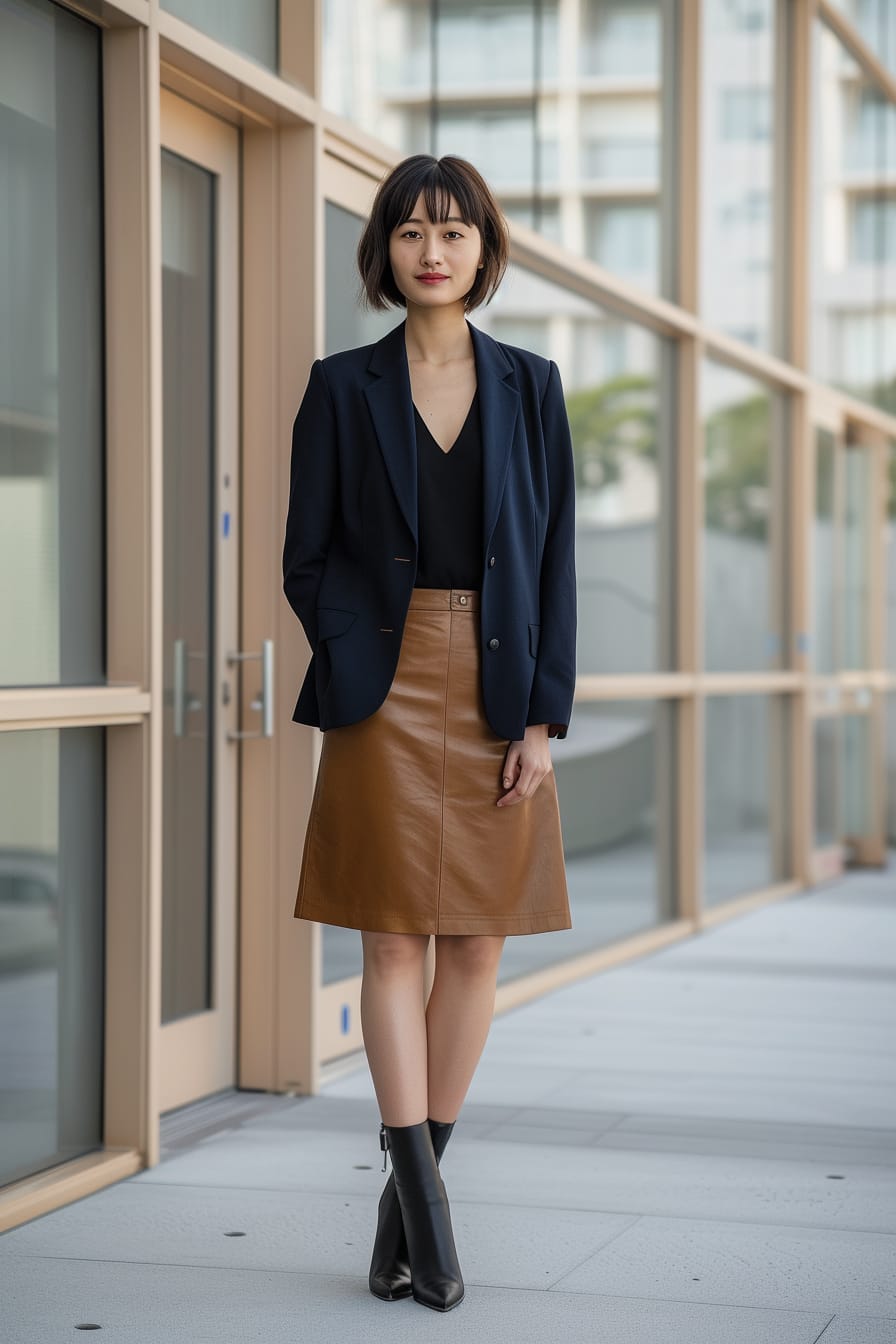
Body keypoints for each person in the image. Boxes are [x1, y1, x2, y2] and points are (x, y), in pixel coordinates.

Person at [282, 154, 577, 1313]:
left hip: (501, 686)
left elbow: (555, 562)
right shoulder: (339, 386)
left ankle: (404, 1207)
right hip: (383, 690)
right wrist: (356, 648)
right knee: (394, 943)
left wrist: (543, 717)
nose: (431, 251)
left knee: (476, 946)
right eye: (409, 232)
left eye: (451, 232)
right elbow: (304, 553)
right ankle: (433, 1223)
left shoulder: (532, 386)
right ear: (385, 253)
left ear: (482, 250)